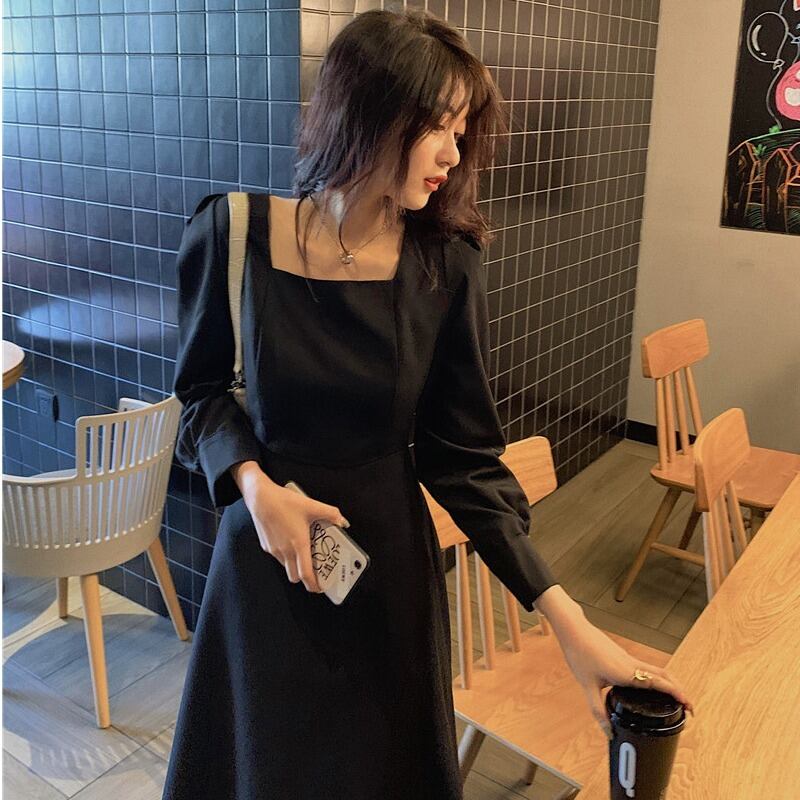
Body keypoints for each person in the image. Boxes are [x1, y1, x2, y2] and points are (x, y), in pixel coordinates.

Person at [161, 7, 693, 799]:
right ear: (367, 109)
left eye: (461, 128)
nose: (453, 151)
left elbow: (464, 461)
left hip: (389, 579)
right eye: (437, 124)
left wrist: (567, 619)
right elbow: (201, 395)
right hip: (265, 565)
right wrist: (253, 487)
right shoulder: (234, 233)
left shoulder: (444, 265)